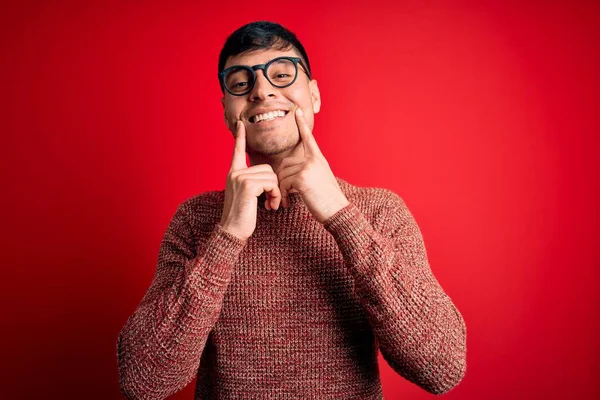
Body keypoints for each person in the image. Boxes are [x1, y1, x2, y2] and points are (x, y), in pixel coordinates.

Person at [116, 20, 467, 399]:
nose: (263, 91)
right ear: (227, 111)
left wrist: (340, 215)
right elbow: (143, 382)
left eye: (282, 75)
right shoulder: (196, 220)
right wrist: (227, 236)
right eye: (240, 82)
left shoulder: (379, 212)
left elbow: (442, 367)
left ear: (314, 95)